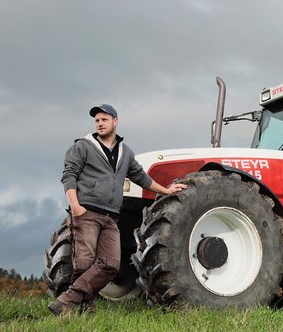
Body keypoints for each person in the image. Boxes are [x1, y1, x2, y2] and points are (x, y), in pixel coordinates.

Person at [49, 103, 186, 316]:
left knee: (111, 264)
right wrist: (75, 206)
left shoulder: (125, 152)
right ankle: (83, 308)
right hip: (87, 211)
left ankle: (68, 299)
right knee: (84, 262)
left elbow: (141, 178)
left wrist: (166, 191)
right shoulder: (83, 146)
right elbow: (69, 175)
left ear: (115, 121)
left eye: (104, 119)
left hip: (111, 216)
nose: (100, 123)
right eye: (97, 120)